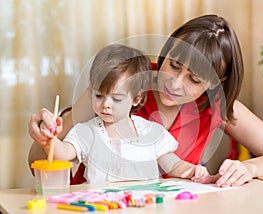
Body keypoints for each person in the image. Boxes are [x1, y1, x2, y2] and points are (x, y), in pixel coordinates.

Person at [28, 14, 263, 187]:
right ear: (165, 53)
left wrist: (248, 167)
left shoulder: (218, 106)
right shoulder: (124, 82)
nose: (175, 83)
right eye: (174, 65)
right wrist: (44, 138)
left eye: (194, 79)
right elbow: (36, 163)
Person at [34, 43, 209, 184]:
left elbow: (173, 164)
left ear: (136, 99)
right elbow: (63, 153)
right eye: (99, 95)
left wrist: (193, 170)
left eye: (116, 99)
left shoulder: (150, 132)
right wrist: (50, 141)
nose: (106, 105)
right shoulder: (87, 132)